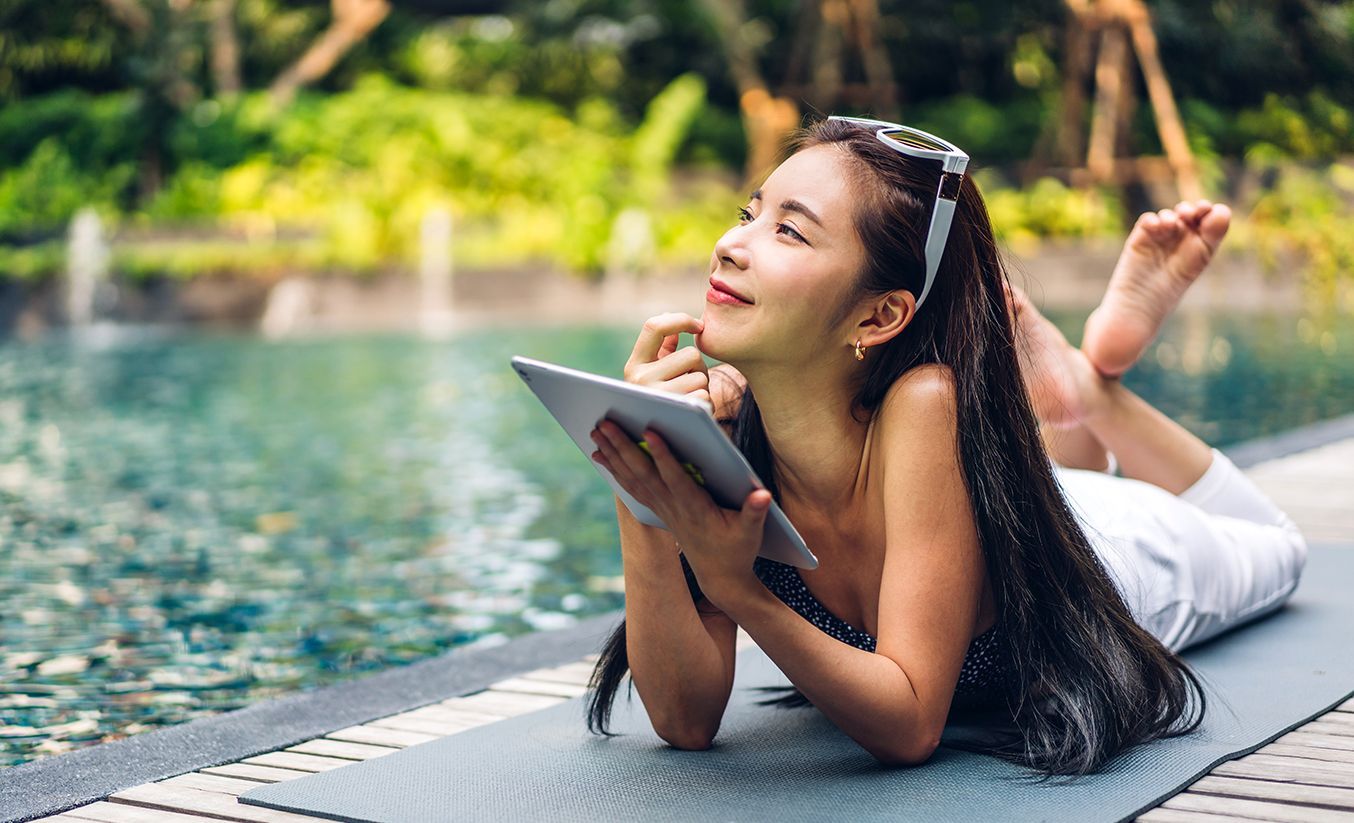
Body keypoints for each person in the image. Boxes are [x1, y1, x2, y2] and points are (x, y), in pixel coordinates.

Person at [581, 116, 1308, 776]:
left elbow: (910, 723)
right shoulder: (722, 432)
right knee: (1050, 482)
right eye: (750, 213)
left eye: (789, 231)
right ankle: (1069, 407)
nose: (730, 243)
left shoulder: (924, 403)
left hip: (1120, 558)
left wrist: (738, 586)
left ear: (879, 315)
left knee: (1277, 545)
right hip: (1016, 509)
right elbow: (685, 718)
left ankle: (1089, 391)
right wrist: (639, 473)